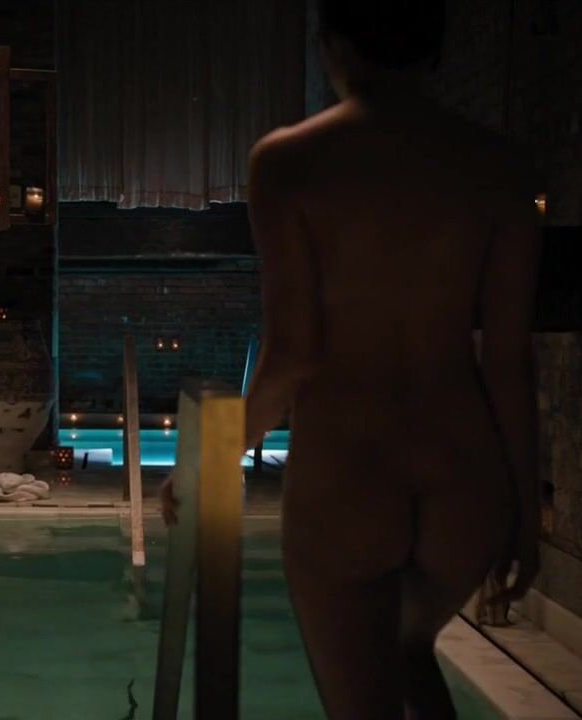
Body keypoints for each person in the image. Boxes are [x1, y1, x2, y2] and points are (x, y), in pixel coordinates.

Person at [160, 1, 540, 717]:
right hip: (465, 471)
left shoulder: (290, 161)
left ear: (331, 43)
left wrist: (209, 463)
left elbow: (293, 352)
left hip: (349, 471)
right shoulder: (500, 167)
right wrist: (526, 512)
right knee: (408, 651)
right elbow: (508, 361)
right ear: (434, 50)